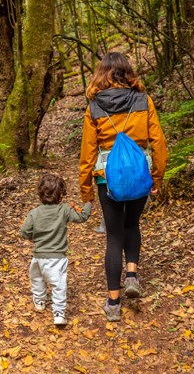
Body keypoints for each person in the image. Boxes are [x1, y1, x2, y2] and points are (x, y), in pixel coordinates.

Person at [79, 52, 168, 322]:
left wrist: (86, 191)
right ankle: (131, 275)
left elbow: (87, 152)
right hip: (140, 175)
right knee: (132, 225)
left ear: (101, 73)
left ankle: (114, 303)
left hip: (109, 179)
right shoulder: (143, 100)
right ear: (127, 72)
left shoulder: (94, 106)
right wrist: (158, 176)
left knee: (113, 235)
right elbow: (159, 142)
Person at [20, 173, 92, 326]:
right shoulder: (64, 210)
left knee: (37, 279)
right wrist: (88, 204)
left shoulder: (34, 213)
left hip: (38, 257)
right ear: (61, 194)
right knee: (58, 285)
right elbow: (82, 217)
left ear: (40, 193)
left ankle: (39, 301)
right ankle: (59, 313)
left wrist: (33, 237)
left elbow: (25, 231)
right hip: (57, 258)